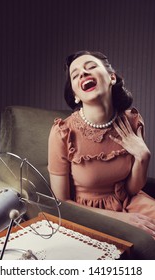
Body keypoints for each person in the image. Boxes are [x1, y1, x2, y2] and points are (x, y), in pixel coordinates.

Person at [48, 50, 155, 238]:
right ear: (75, 95)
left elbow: (131, 189)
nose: (83, 73)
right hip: (88, 214)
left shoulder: (132, 121)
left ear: (111, 78)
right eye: (76, 74)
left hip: (130, 202)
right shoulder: (62, 133)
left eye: (91, 67)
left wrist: (143, 157)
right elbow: (61, 202)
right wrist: (119, 218)